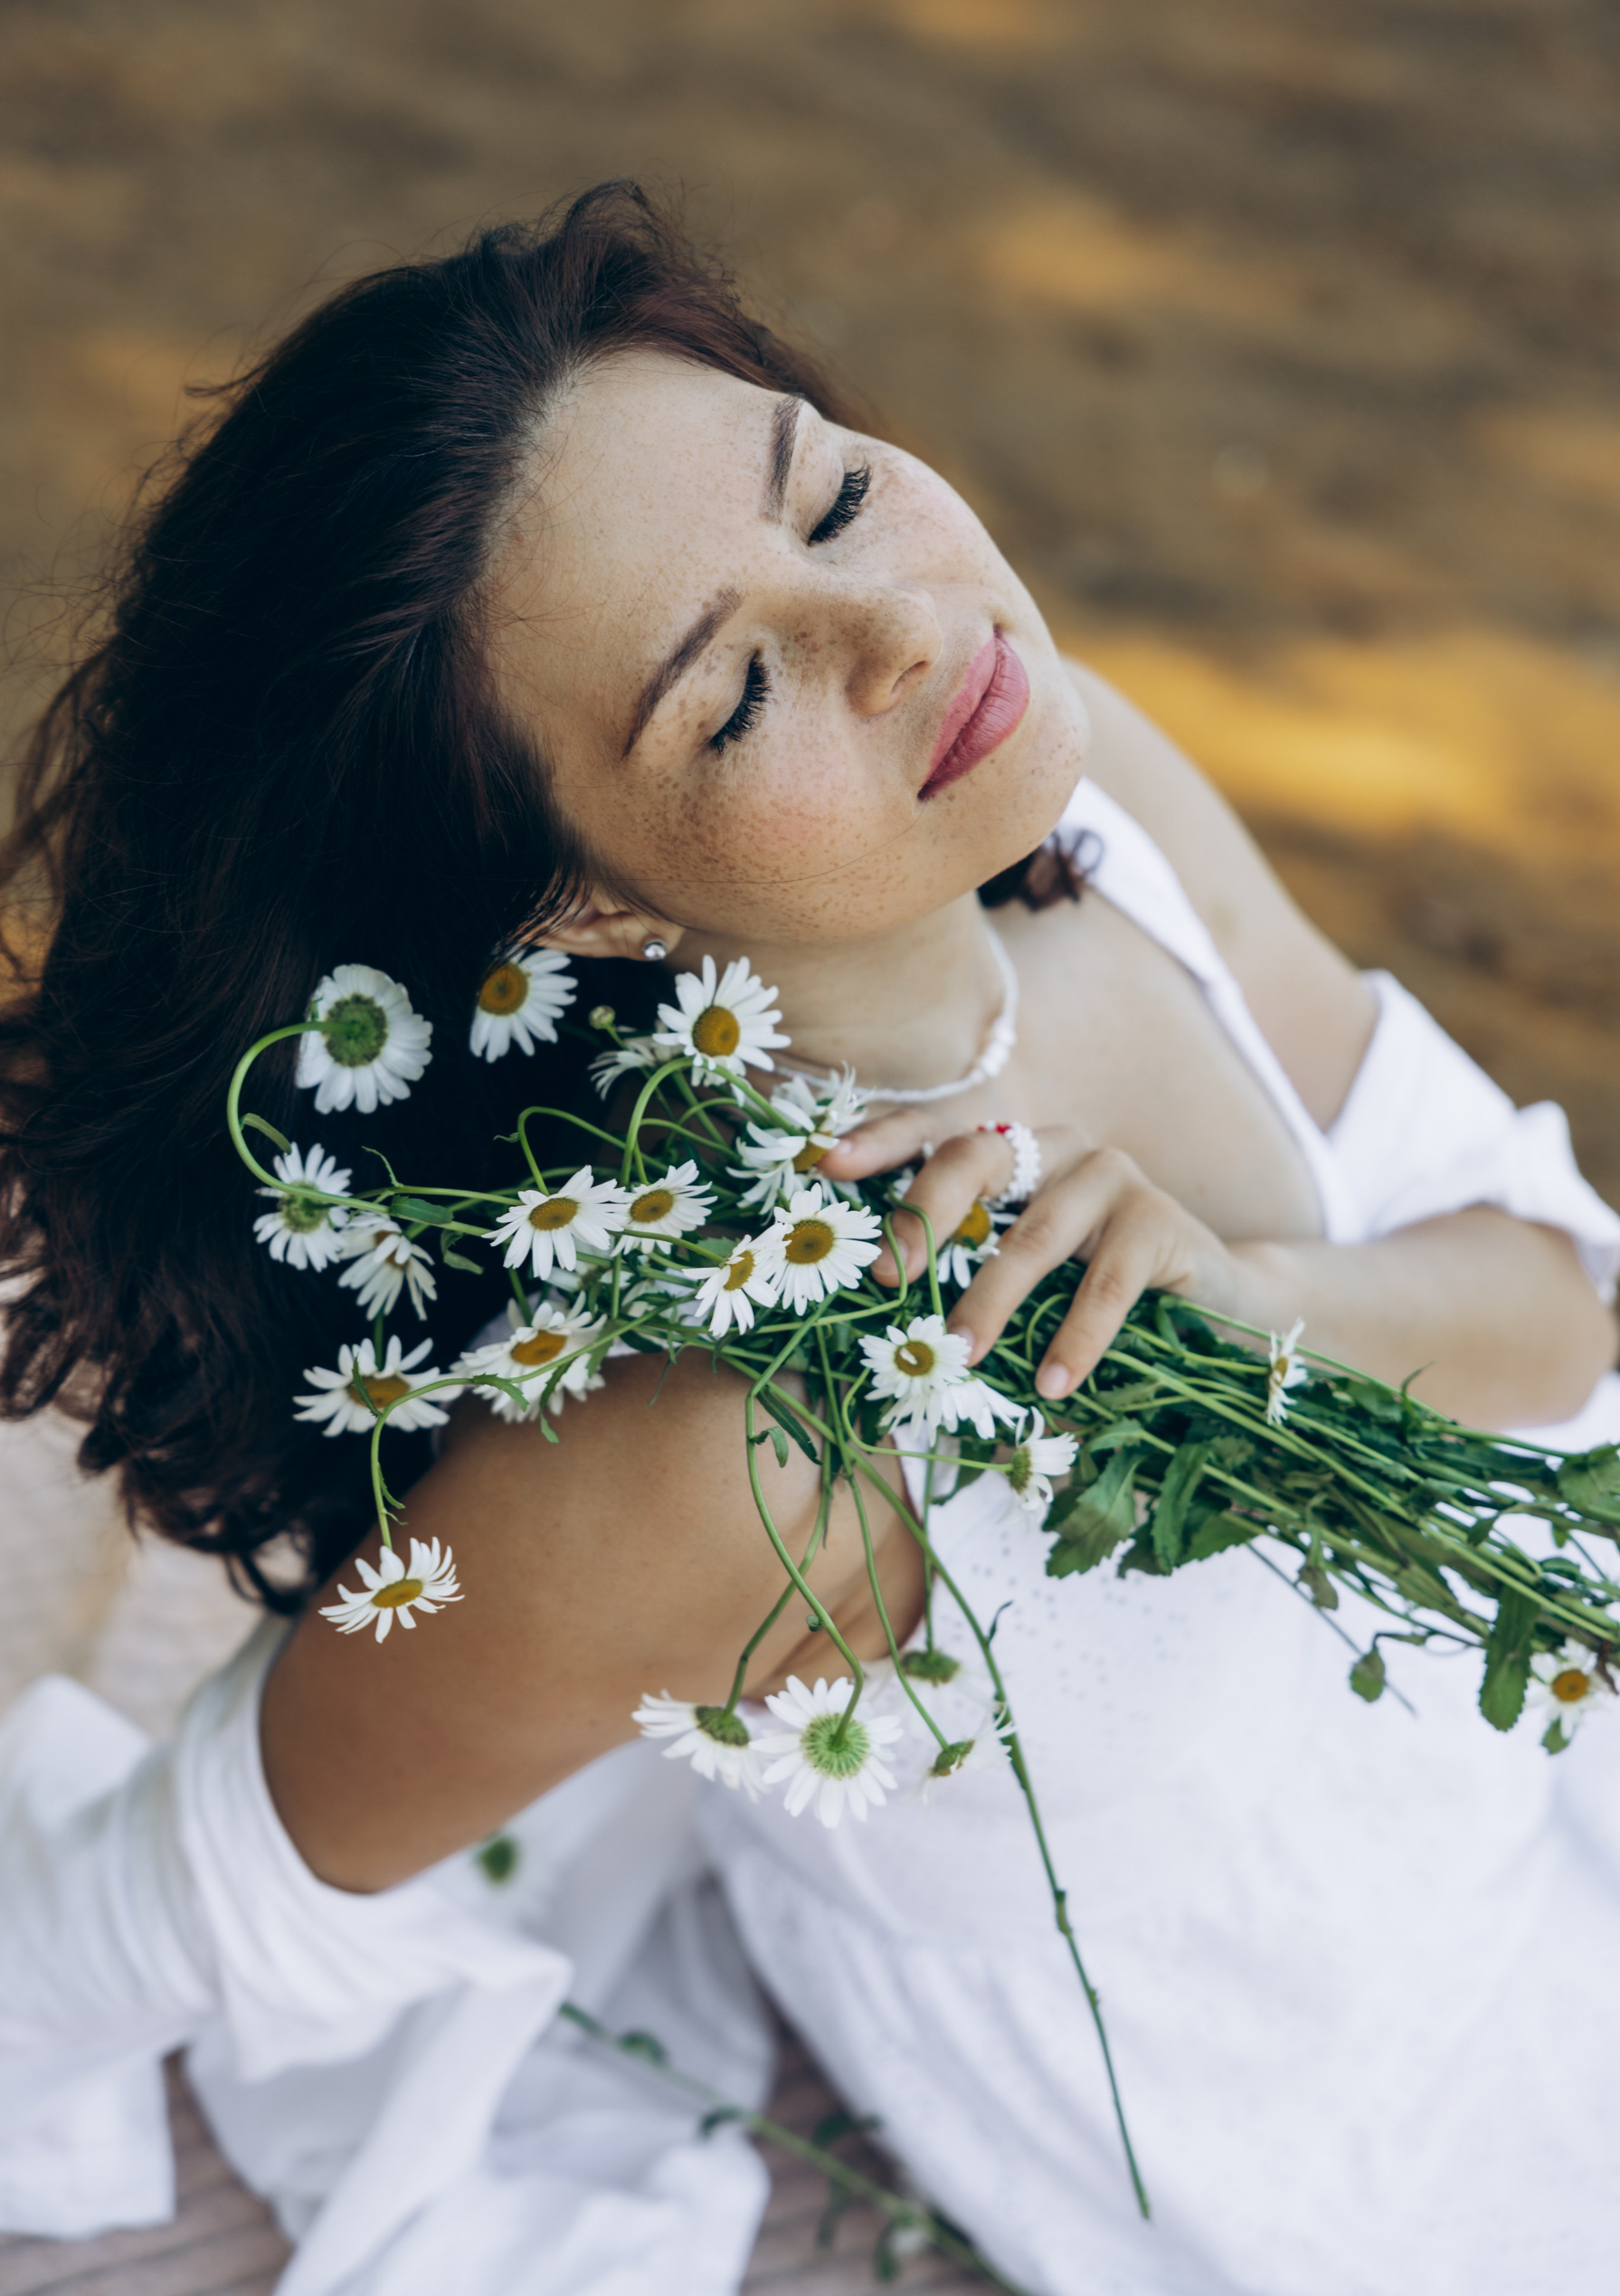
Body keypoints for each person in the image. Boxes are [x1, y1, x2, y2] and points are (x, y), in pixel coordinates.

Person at [1, 183, 1617, 2296]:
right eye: (737, 699)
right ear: (573, 912)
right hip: (1329, 2094)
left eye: (834, 499)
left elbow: (1557, 1291)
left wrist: (1271, 1313)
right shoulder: (720, 1438)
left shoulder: (1082, 787)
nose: (911, 635)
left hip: (1542, 1722)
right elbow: (199, 1883)